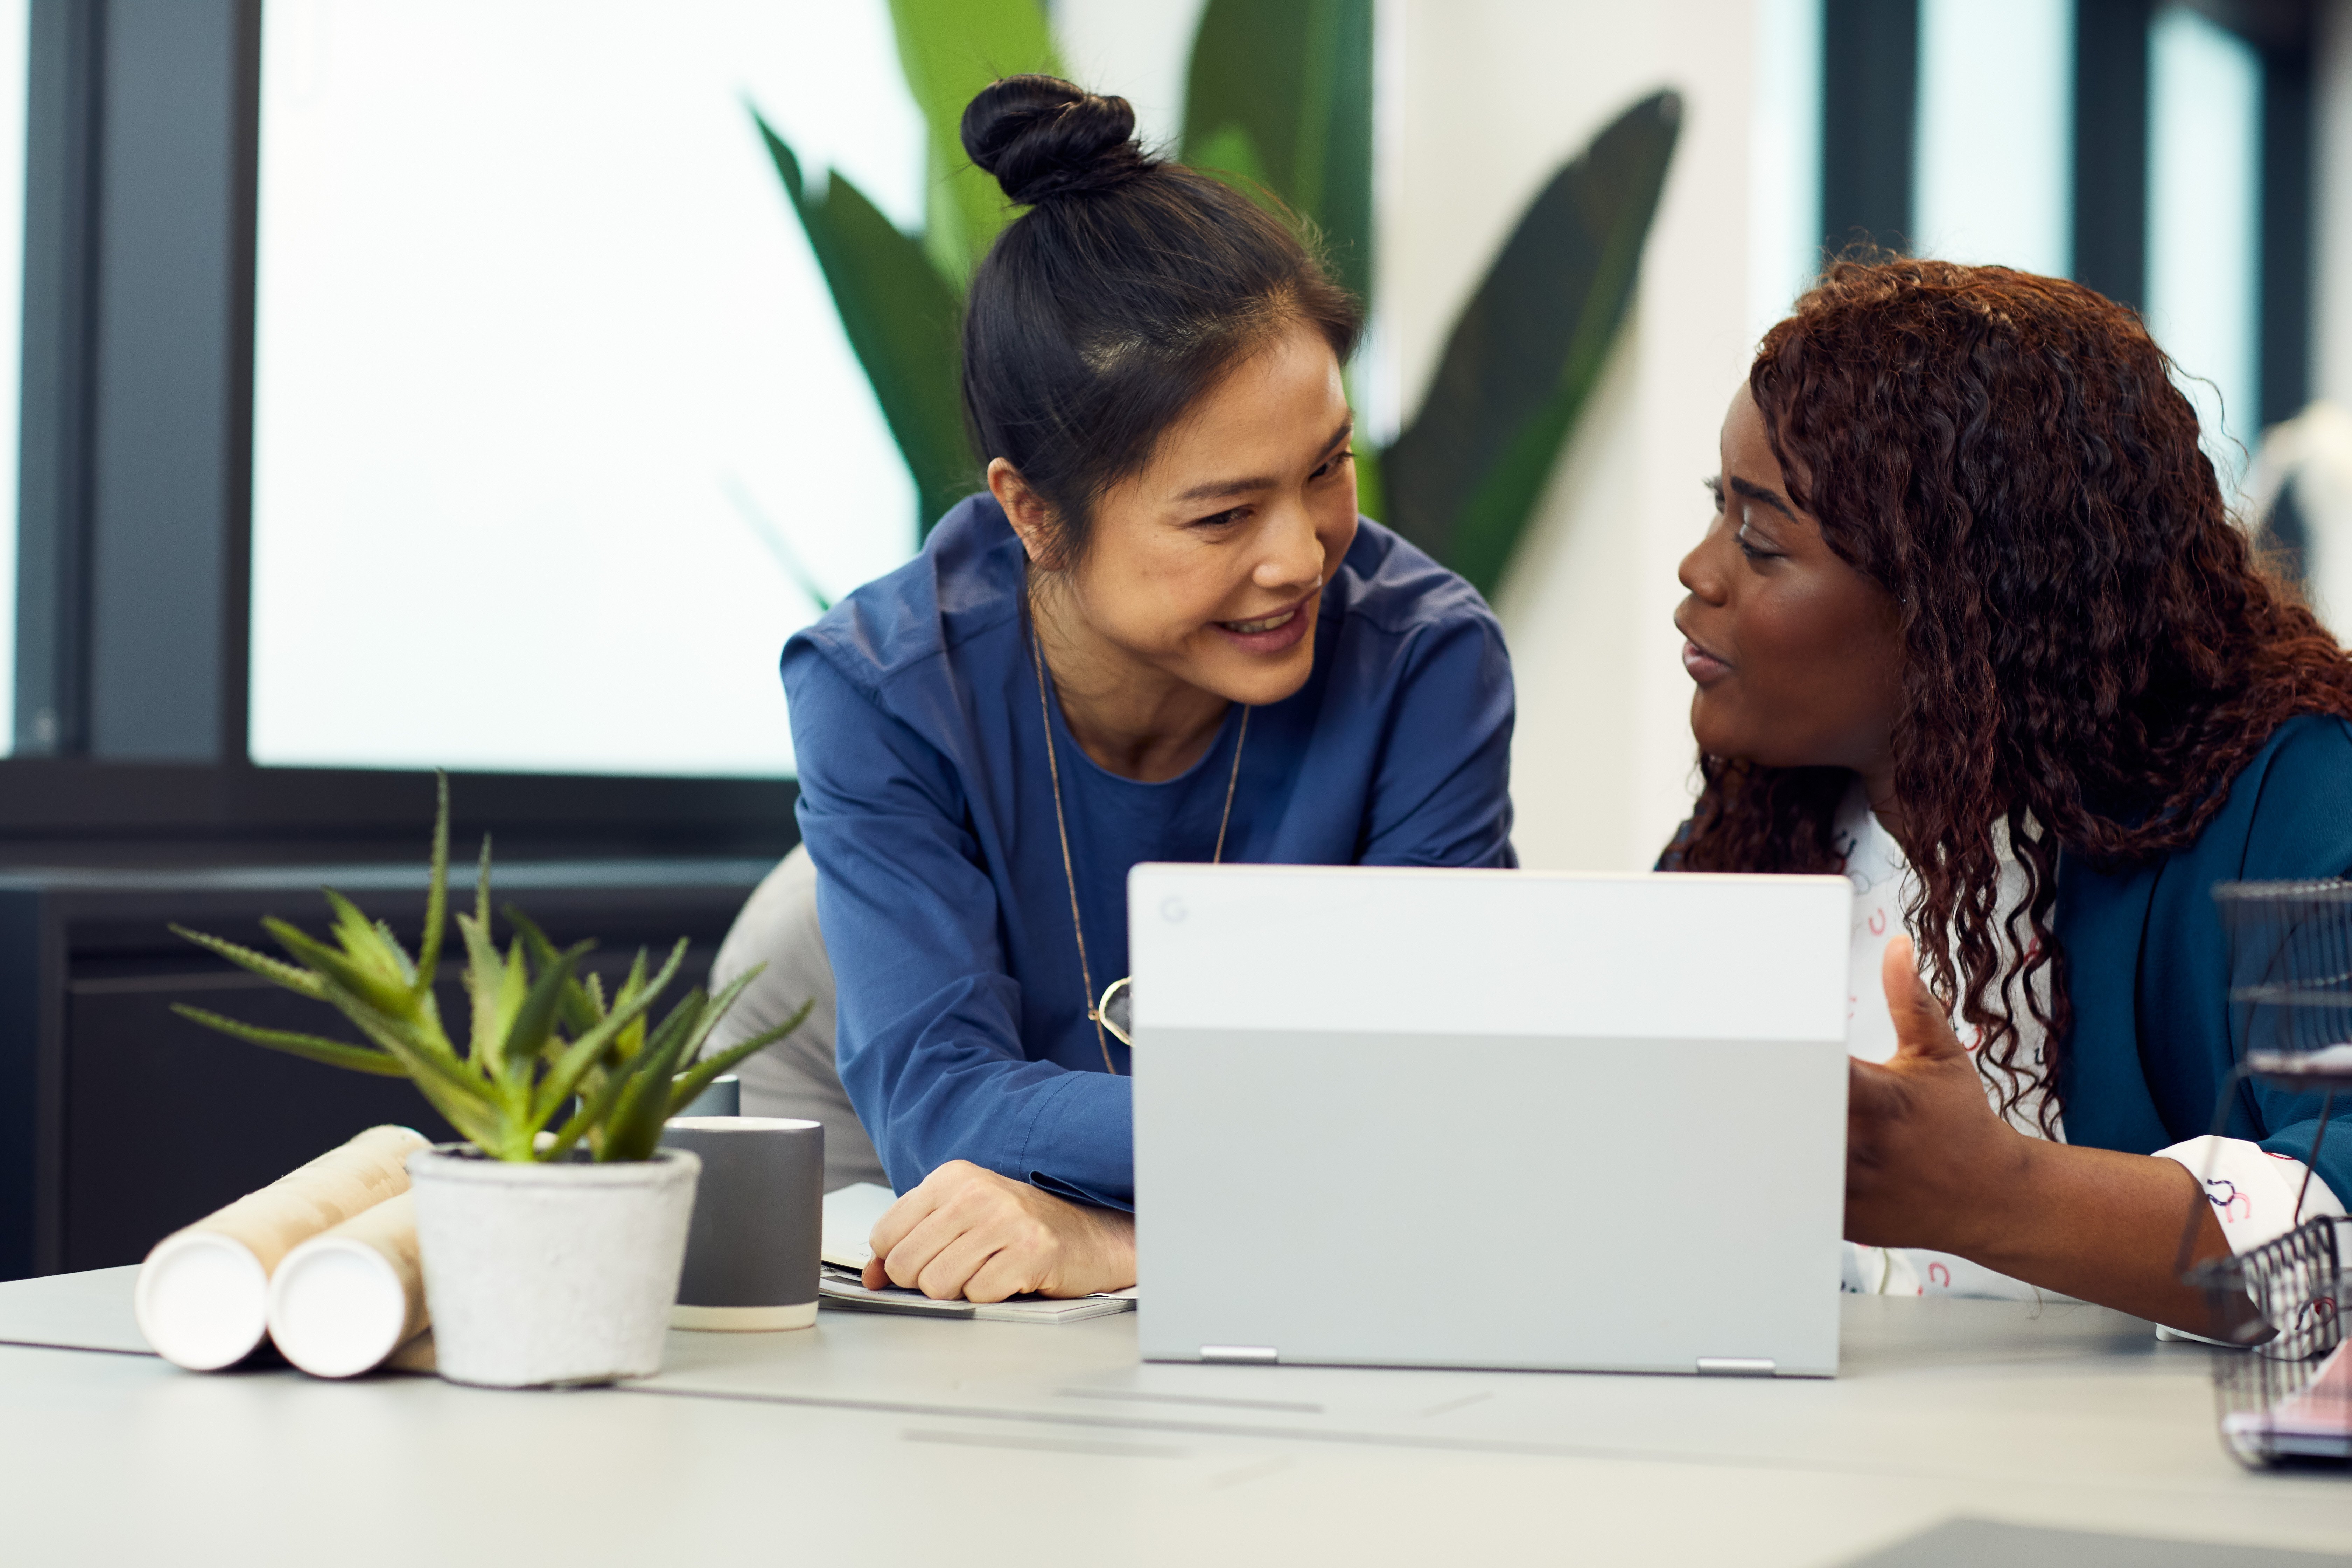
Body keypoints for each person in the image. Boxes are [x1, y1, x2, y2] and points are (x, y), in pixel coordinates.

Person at [782, 76, 1516, 1303]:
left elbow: (1437, 1109)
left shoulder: (1426, 659)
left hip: (1310, 1313)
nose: (1300, 556)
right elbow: (938, 1102)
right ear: (1032, 512)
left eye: (1328, 466)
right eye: (1224, 514)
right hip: (981, 1320)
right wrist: (1310, 1140)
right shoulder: (883, 690)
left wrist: (1128, 1240)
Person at [1667, 258, 2352, 1333]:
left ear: (1957, 602)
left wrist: (1994, 1197)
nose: (1697, 572)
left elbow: (2341, 1232)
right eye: (1719, 508)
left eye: (1760, 539)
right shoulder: (1757, 828)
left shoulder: (2298, 800)